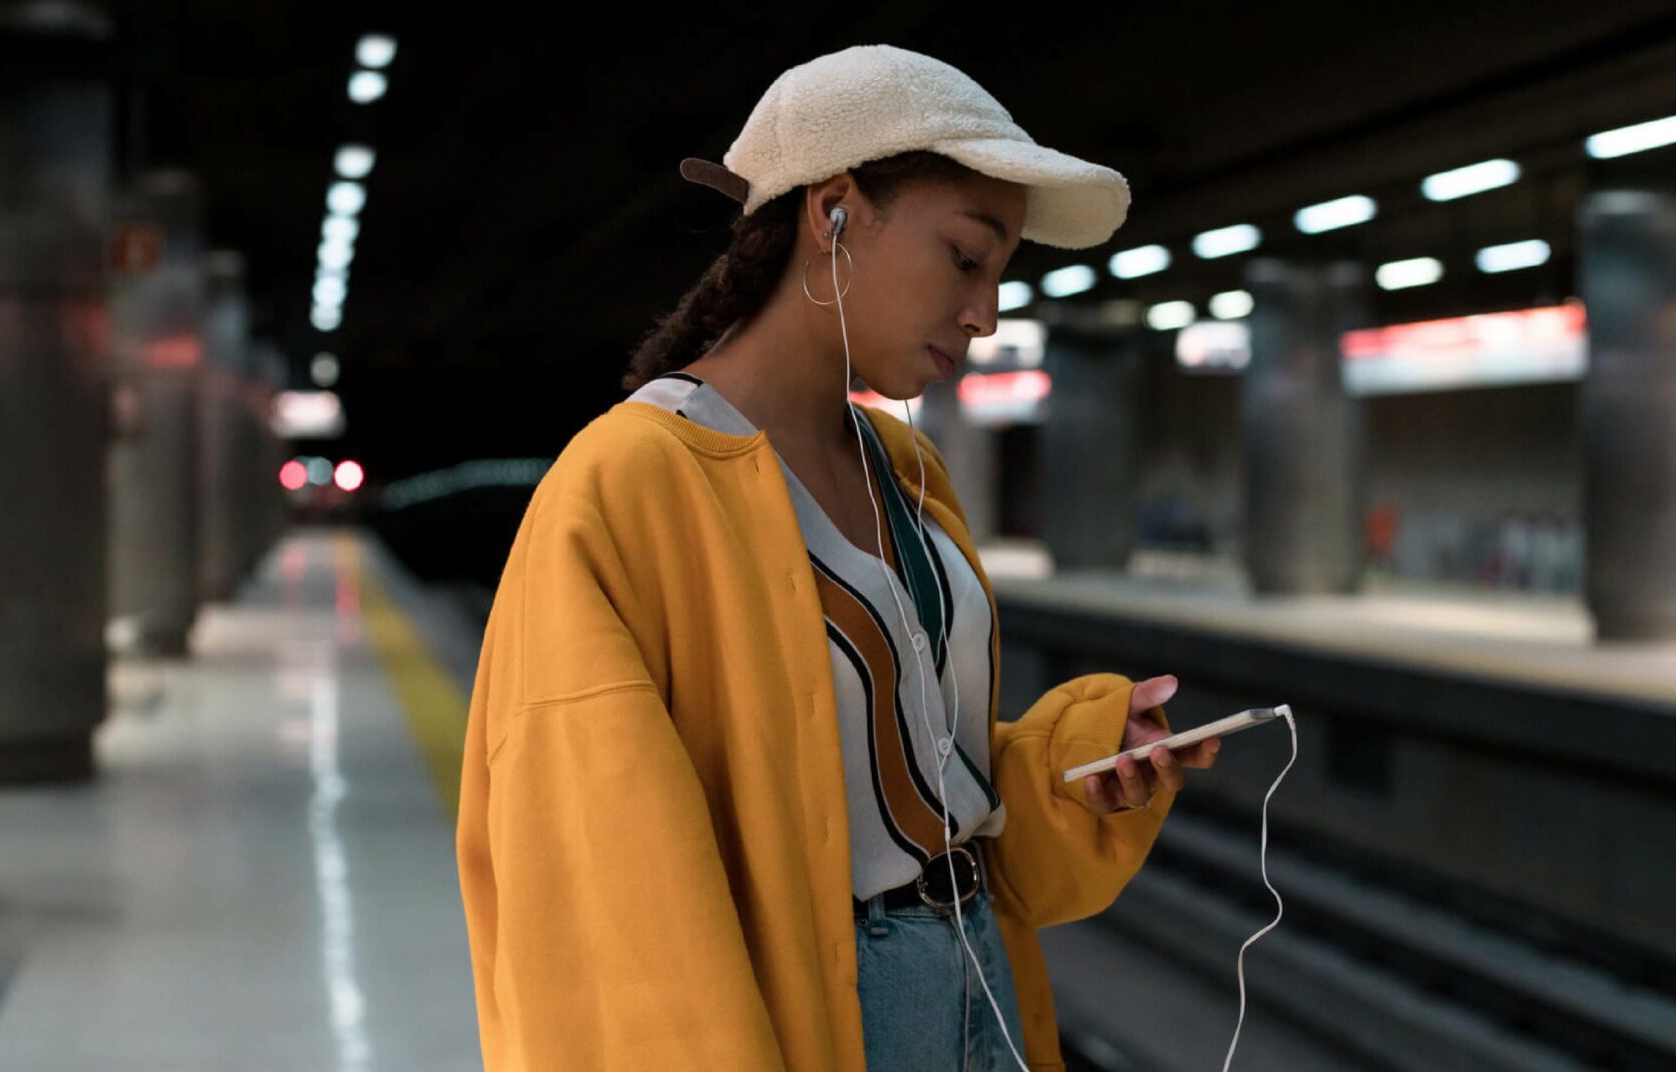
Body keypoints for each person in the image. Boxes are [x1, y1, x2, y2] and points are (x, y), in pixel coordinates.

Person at [456, 44, 1220, 1072]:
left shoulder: (903, 468)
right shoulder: (627, 482)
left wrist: (1073, 768)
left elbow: (904, 777)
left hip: (978, 974)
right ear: (833, 214)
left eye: (997, 274)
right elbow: (599, 879)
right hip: (813, 1015)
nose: (985, 313)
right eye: (964, 257)